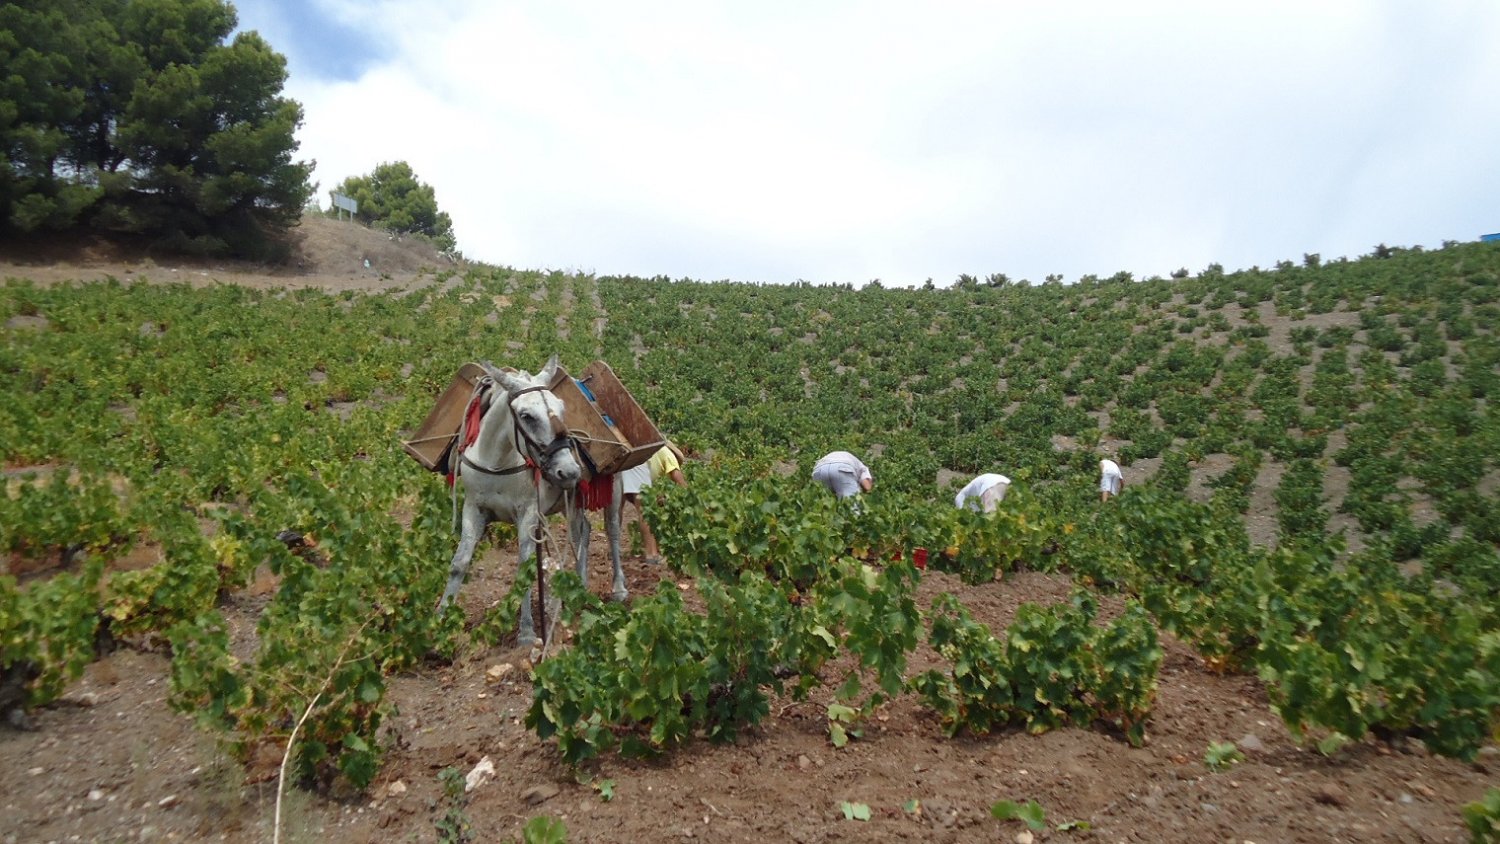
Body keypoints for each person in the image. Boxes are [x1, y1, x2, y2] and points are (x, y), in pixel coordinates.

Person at [621, 442, 687, 565]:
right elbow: (678, 479)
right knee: (645, 509)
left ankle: (615, 549)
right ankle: (652, 554)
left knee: (616, 509)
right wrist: (689, 495)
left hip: (625, 457)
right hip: (637, 462)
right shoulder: (669, 455)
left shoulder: (657, 451)